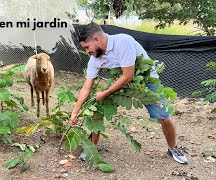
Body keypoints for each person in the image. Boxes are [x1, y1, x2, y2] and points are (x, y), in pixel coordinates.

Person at [70, 22, 188, 164]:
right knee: (98, 110)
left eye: (87, 47)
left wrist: (105, 93)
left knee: (163, 117)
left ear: (97, 39)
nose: (87, 51)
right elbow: (86, 88)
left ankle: (172, 148)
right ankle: (92, 147)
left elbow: (128, 76)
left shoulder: (123, 42)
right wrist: (74, 112)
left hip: (145, 81)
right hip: (120, 81)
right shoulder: (95, 59)